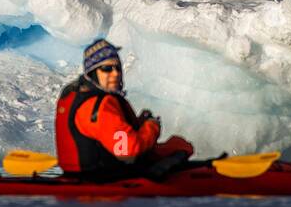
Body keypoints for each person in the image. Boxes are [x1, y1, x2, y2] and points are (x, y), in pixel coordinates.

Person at [55, 39, 194, 180]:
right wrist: (152, 126)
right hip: (105, 180)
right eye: (107, 69)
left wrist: (138, 123)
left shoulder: (77, 94)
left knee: (172, 147)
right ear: (92, 72)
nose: (115, 74)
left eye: (117, 68)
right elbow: (127, 150)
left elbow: (106, 132)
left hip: (79, 176)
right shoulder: (100, 105)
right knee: (178, 146)